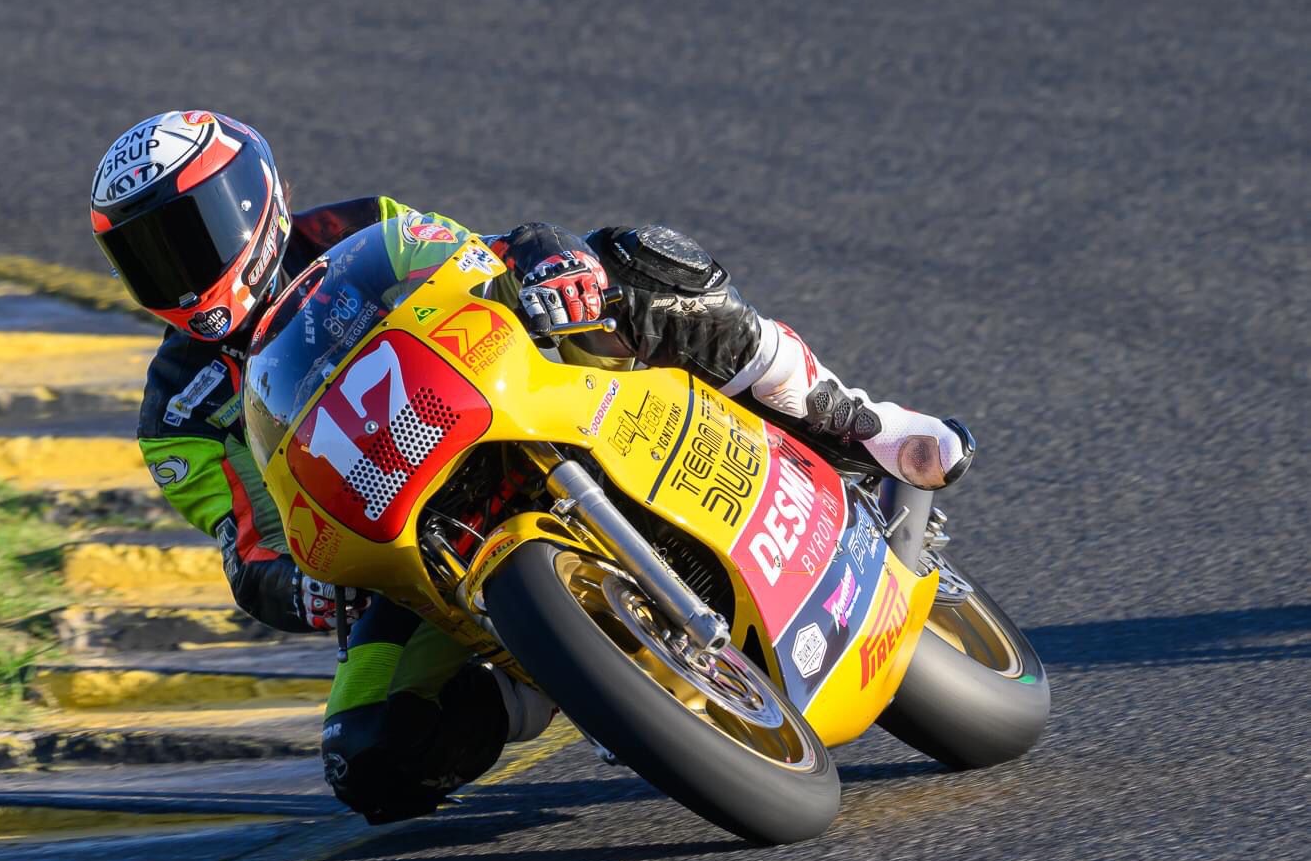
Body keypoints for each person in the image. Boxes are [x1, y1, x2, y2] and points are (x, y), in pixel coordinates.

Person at [93, 110, 973, 823]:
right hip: (411, 545)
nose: (187, 266)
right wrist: (301, 589)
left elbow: (477, 258)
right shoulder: (175, 412)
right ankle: (562, 677)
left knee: (630, 259)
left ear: (255, 197)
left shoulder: (359, 227)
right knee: (369, 757)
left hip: (517, 394)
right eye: (152, 253)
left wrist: (547, 256)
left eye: (195, 230)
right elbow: (248, 545)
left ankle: (862, 428)